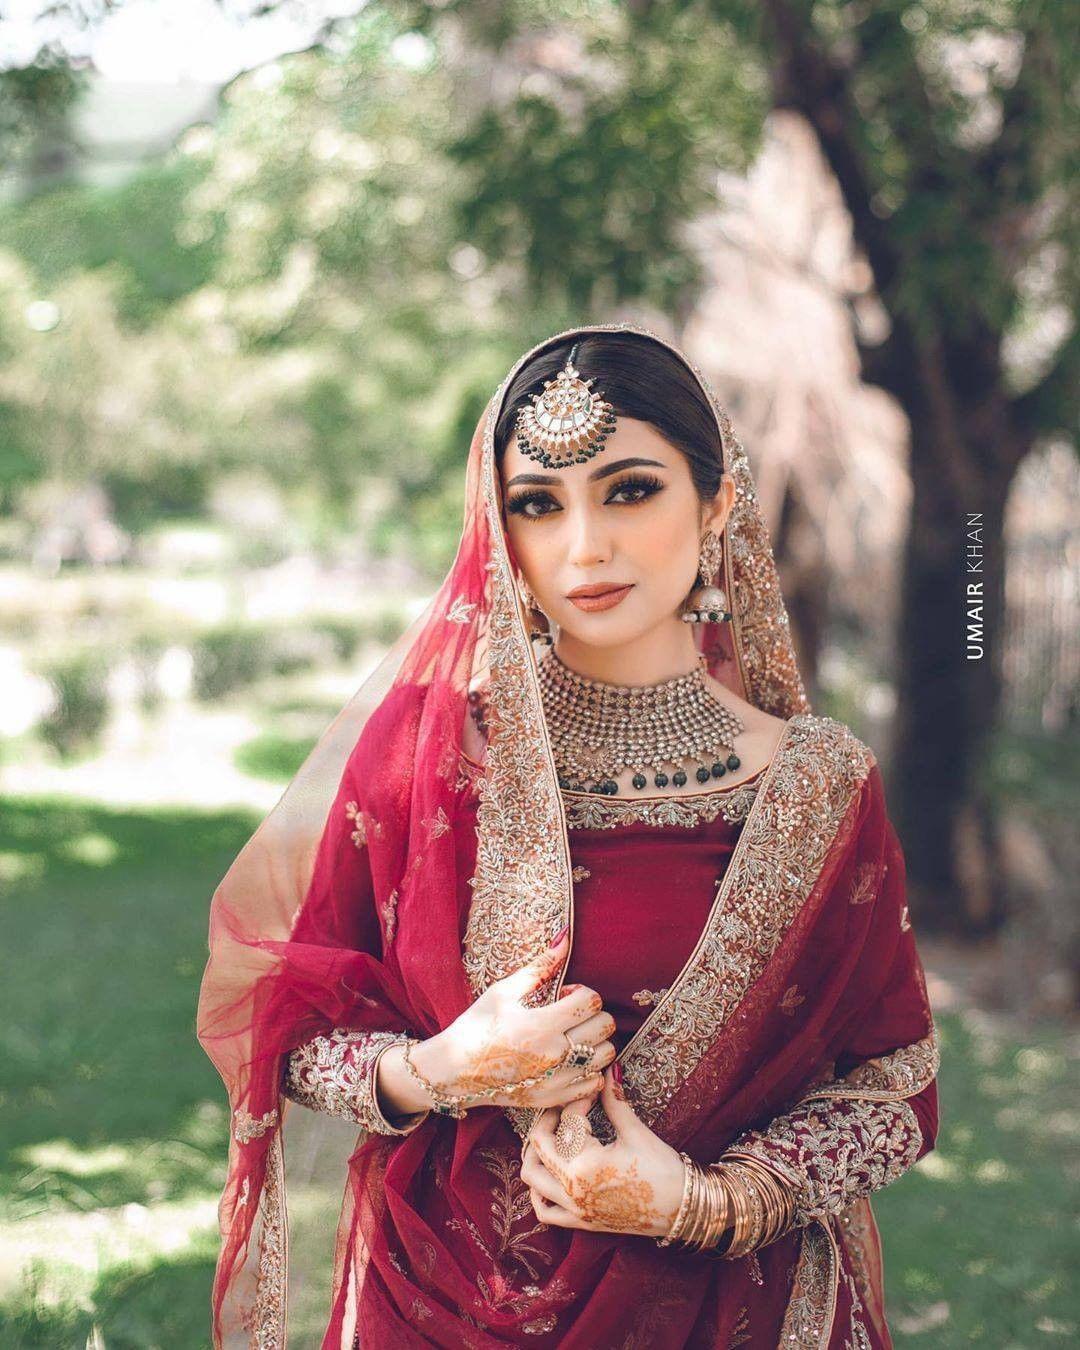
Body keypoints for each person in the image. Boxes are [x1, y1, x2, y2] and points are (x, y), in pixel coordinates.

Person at [196, 325, 940, 1348]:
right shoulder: (430, 756)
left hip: (729, 1308)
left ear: (717, 501)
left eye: (630, 490)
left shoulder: (817, 785)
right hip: (437, 1295)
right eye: (537, 506)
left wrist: (701, 1204)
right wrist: (441, 1070)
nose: (584, 547)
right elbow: (292, 1019)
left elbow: (890, 1086)